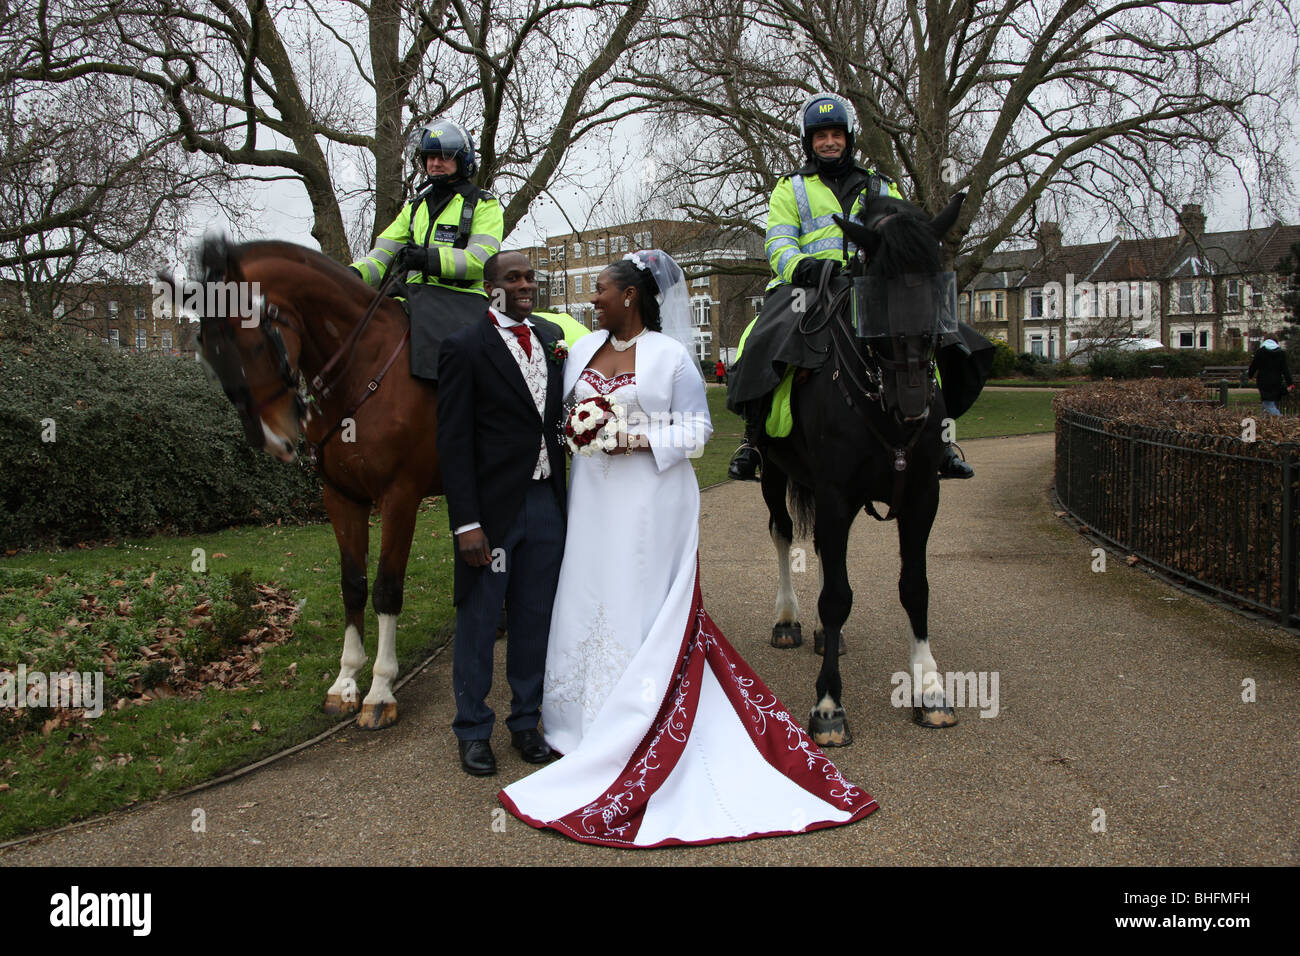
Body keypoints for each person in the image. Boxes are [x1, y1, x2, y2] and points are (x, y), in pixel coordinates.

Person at [498, 250, 878, 846]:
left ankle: (639, 720)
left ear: (629, 296)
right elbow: (567, 415)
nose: (591, 299)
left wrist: (636, 437)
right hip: (594, 504)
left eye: (599, 290)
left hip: (652, 502)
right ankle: (578, 723)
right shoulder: (580, 352)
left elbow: (697, 432)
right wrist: (583, 428)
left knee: (638, 600)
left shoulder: (670, 356)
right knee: (586, 594)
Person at [726, 92, 973, 482]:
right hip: (807, 286)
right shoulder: (790, 188)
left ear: (848, 139)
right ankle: (754, 440)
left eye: (836, 134)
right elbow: (778, 241)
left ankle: (941, 442)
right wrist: (802, 265)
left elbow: (903, 232)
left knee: (929, 334)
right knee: (759, 338)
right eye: (820, 135)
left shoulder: (881, 186)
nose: (829, 142)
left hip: (870, 285)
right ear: (809, 142)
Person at [435, 251, 568, 776]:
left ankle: (525, 723)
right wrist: (465, 522)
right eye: (513, 278)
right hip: (490, 514)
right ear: (490, 287)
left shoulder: (553, 339)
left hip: (546, 504)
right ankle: (472, 728)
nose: (525, 285)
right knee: (481, 619)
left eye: (530, 277)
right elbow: (452, 441)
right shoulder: (464, 347)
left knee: (536, 617)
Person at [350, 118, 503, 379]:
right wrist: (352, 274)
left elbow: (482, 260)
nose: (434, 163)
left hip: (460, 302)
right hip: (413, 298)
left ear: (462, 159)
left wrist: (429, 259)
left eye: (443, 156)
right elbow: (382, 254)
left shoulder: (483, 204)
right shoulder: (414, 207)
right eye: (429, 157)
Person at [1248, 336, 1294, 416]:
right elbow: (1285, 369)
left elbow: (1254, 366)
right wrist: (1290, 383)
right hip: (1276, 381)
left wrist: (1250, 375)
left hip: (1263, 381)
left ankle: (1280, 419)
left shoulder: (1260, 352)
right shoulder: (1281, 353)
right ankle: (1266, 422)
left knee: (1268, 403)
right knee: (1268, 402)